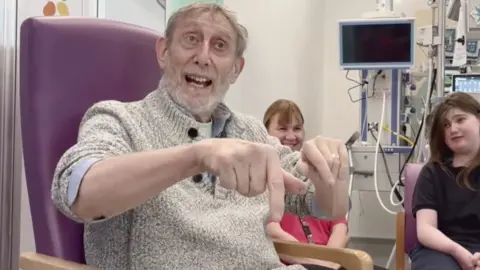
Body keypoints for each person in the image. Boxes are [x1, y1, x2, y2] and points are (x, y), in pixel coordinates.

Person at [50, 3, 350, 270]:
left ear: (235, 69)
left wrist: (329, 167)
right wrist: (196, 157)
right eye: (191, 40)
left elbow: (324, 206)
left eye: (220, 46)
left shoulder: (251, 132)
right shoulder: (119, 119)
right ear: (164, 52)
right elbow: (78, 195)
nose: (203, 57)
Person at [263, 99, 349, 270]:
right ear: (265, 133)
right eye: (282, 128)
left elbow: (339, 225)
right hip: (291, 263)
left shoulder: (315, 169)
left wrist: (330, 261)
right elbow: (271, 232)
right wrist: (317, 261)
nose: (291, 136)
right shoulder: (262, 175)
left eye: (297, 128)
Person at [411, 92, 480, 270]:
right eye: (446, 125)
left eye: (460, 120)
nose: (453, 129)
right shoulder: (433, 172)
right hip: (440, 250)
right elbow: (425, 229)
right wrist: (456, 250)